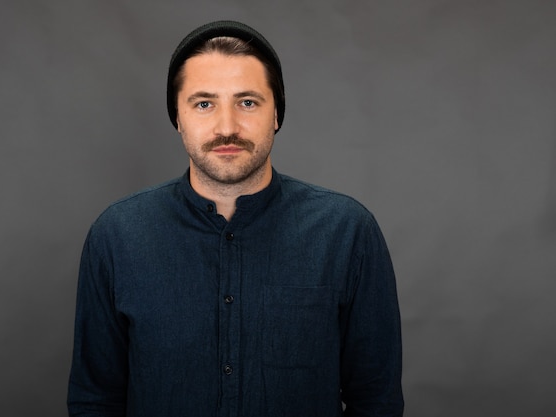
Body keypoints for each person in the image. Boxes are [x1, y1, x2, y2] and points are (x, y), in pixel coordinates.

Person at [67, 20, 404, 417]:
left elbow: (376, 401)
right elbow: (95, 401)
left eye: (247, 102)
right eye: (204, 103)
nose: (227, 127)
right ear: (177, 117)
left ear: (276, 113)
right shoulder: (116, 235)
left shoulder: (348, 233)